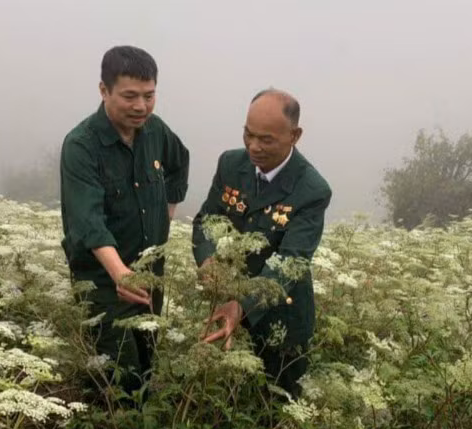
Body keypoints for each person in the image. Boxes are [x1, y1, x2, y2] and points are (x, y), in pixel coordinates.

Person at [59, 45, 190, 395]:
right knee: (118, 374)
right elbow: (87, 221)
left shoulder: (156, 131)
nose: (141, 107)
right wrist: (121, 274)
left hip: (149, 273)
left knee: (147, 360)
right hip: (102, 279)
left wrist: (168, 212)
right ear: (104, 90)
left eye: (149, 96)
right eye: (130, 96)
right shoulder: (81, 145)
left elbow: (180, 162)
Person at [191, 88, 331, 399]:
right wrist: (207, 261)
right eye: (248, 134)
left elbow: (291, 261)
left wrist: (242, 306)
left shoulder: (312, 189)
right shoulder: (230, 164)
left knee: (275, 407)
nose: (254, 146)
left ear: (295, 135)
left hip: (281, 321)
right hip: (226, 304)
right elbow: (206, 221)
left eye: (266, 140)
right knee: (224, 401)